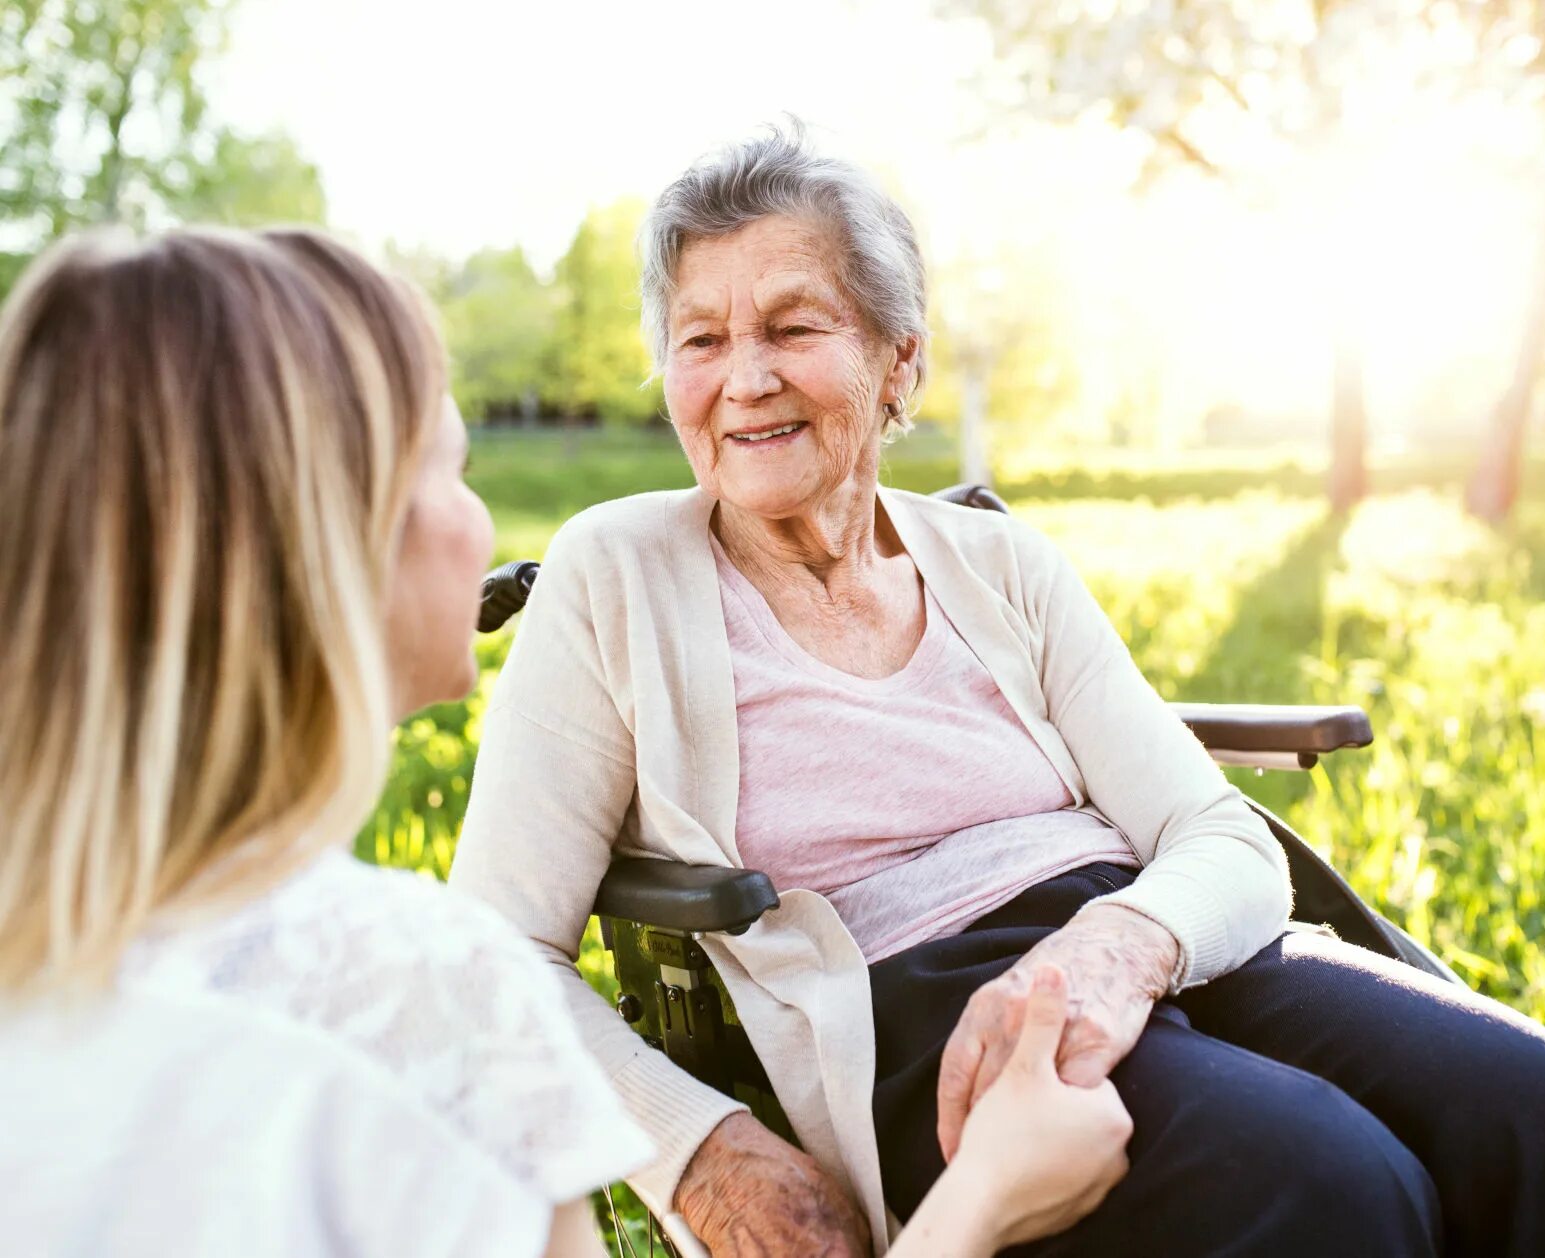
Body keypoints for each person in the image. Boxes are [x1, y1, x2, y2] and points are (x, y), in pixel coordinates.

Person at [451, 123, 1545, 1257]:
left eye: (791, 326)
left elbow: (1219, 836)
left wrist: (1119, 947)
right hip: (920, 1010)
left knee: (1542, 1107)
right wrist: (698, 1153)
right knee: (1332, 1181)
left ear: (897, 360)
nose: (744, 378)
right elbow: (497, 952)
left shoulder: (1001, 562)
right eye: (702, 339)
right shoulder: (616, 571)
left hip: (1147, 934)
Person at [0, 226, 1128, 1258]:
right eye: (452, 466)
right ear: (332, 546)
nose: (484, 526)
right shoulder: (426, 997)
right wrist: (987, 1201)